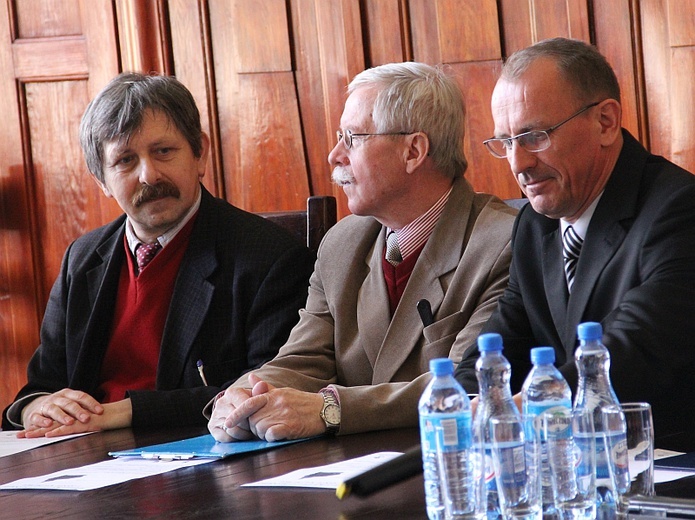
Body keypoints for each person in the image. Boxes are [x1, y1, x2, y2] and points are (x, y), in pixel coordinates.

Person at [207, 62, 517, 442]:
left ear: (413, 151)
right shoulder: (342, 244)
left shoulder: (503, 242)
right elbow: (303, 360)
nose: (334, 156)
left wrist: (330, 409)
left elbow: (470, 384)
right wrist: (243, 397)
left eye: (352, 138)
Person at [1, 72, 315, 436]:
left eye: (164, 151)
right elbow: (44, 382)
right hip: (83, 458)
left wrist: (126, 412)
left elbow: (266, 390)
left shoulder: (269, 258)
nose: (149, 175)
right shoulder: (82, 259)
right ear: (101, 179)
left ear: (200, 153)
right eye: (125, 161)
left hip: (201, 458)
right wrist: (35, 406)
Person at [454, 37, 695, 451]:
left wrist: (521, 410)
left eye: (534, 136)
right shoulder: (535, 226)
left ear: (605, 121)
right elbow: (497, 348)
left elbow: (633, 349)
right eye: (506, 142)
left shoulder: (678, 208)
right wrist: (465, 406)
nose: (518, 163)